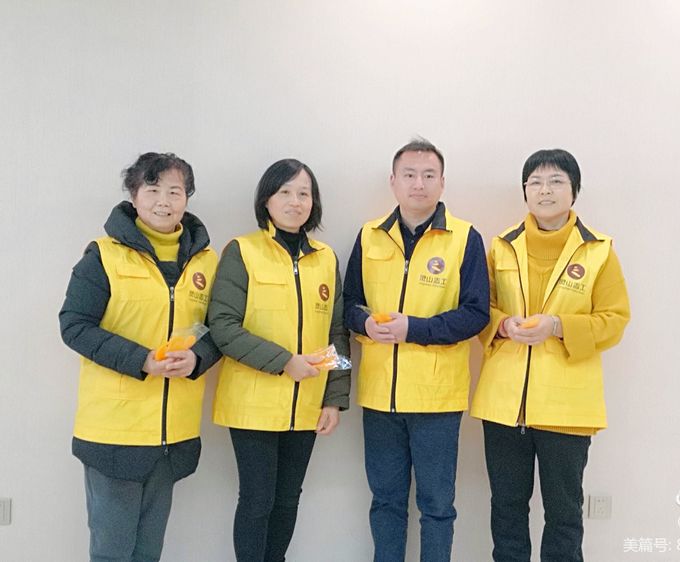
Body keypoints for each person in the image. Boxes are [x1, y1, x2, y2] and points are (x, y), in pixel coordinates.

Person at [59, 152, 222, 562]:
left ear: (187, 198)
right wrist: (142, 360)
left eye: (175, 191)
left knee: (149, 551)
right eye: (152, 189)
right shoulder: (103, 255)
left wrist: (198, 359)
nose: (163, 201)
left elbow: (220, 329)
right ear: (134, 196)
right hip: (115, 433)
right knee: (112, 552)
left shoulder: (206, 261)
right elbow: (74, 325)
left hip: (172, 434)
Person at [471, 149, 631, 562]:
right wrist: (503, 325)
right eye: (536, 182)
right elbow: (480, 309)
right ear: (524, 191)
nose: (545, 190)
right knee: (506, 508)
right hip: (504, 405)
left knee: (564, 513)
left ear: (574, 191)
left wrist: (558, 326)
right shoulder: (502, 246)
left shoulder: (598, 250)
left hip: (567, 407)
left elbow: (614, 320)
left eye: (556, 181)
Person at [344, 138, 490, 562]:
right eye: (409, 175)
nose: (418, 184)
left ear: (443, 183)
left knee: (437, 507)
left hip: (436, 400)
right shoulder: (370, 235)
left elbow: (476, 314)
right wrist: (364, 323)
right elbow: (348, 303)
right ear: (393, 181)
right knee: (385, 503)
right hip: (380, 397)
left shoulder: (465, 238)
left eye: (429, 175)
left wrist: (414, 329)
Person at [208, 158, 351, 562]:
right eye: (284, 192)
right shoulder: (242, 251)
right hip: (252, 404)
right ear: (266, 201)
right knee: (257, 500)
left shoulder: (325, 258)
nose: (295, 201)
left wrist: (333, 399)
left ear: (314, 202)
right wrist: (284, 360)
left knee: (288, 499)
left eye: (304, 193)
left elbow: (337, 333)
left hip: (307, 404)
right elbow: (222, 324)